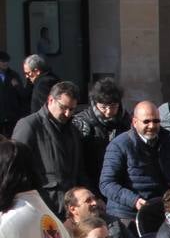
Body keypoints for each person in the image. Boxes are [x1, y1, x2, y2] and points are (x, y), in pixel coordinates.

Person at [98, 101, 170, 238]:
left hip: (161, 211)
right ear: (134, 122)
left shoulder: (168, 139)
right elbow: (106, 183)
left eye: (156, 121)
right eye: (146, 121)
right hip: (127, 215)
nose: (152, 125)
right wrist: (134, 200)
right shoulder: (119, 145)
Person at [13, 80, 81, 214]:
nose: (68, 113)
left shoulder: (72, 129)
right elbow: (16, 168)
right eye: (63, 107)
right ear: (50, 100)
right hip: (42, 205)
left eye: (72, 109)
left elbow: (79, 168)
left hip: (71, 205)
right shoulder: (29, 125)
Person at [72, 78, 132, 190]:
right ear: (95, 104)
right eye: (103, 107)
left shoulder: (126, 121)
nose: (108, 112)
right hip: (92, 179)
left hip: (120, 179)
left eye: (113, 106)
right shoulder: (83, 122)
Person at [0, 51, 24, 136]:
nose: (5, 63)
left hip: (11, 115)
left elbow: (22, 93)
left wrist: (17, 86)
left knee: (12, 137)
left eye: (7, 61)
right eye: (2, 61)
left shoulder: (13, 75)